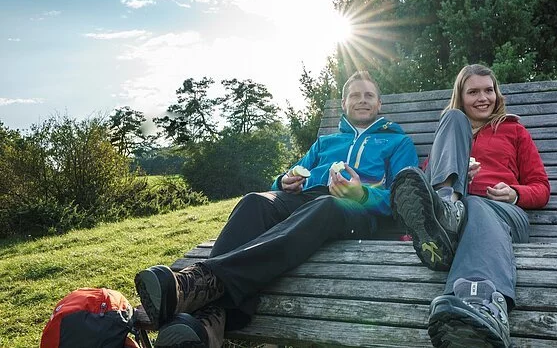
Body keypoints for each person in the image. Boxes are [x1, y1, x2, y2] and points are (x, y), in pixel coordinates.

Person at [134, 70, 418, 348]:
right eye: (355, 95)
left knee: (326, 204)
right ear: (344, 104)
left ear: (380, 104)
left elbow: (405, 196)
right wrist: (283, 180)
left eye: (369, 95)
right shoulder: (326, 142)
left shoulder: (398, 142)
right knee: (254, 202)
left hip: (356, 210)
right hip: (307, 199)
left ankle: (196, 283)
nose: (362, 100)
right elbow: (288, 176)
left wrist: (363, 193)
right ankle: (213, 321)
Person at [391, 64, 550, 348]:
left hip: (505, 217)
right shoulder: (450, 129)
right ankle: (446, 217)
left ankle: (488, 306)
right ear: (461, 96)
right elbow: (424, 184)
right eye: (473, 91)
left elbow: (541, 188)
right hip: (459, 212)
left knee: (477, 204)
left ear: (497, 94)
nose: (483, 98)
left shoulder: (514, 131)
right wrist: (459, 175)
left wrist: (514, 193)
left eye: (488, 90)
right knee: (451, 123)